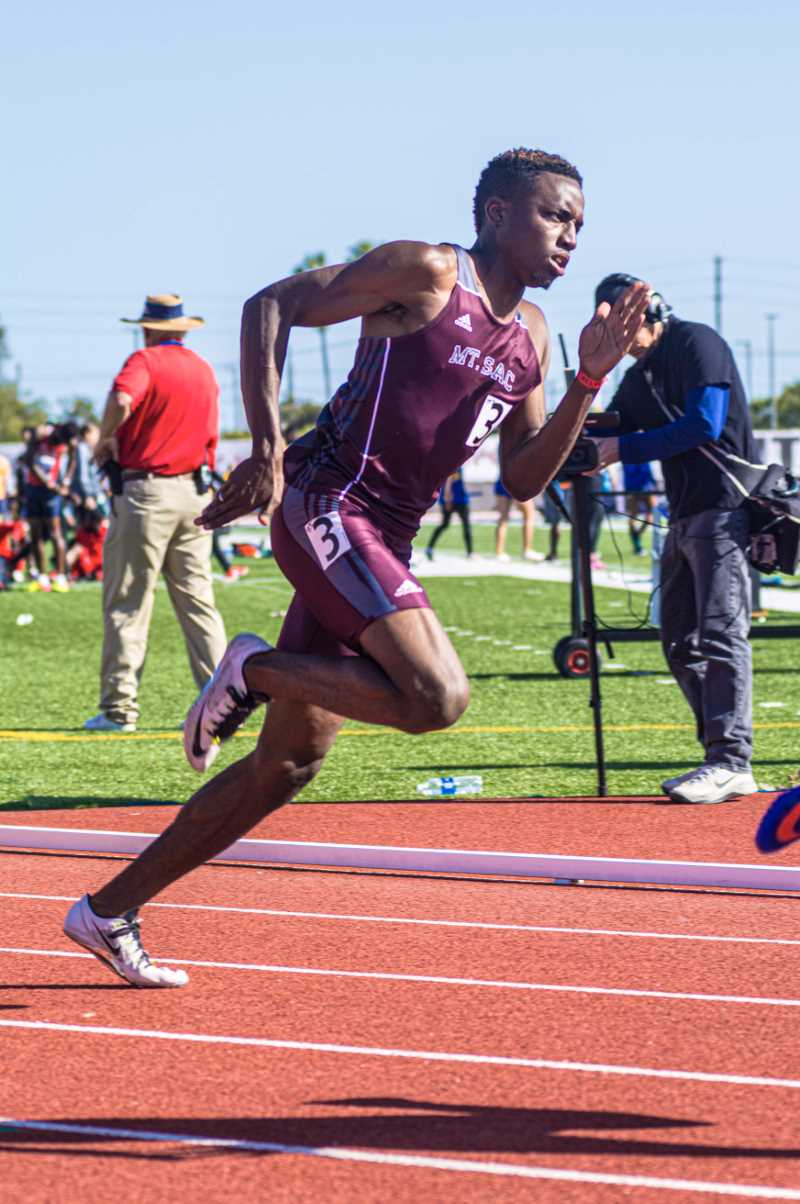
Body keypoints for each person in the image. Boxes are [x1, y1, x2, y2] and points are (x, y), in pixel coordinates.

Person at [64, 148, 649, 985]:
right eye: (556, 217)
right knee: (437, 697)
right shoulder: (428, 273)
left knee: (288, 766)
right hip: (329, 502)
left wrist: (588, 379)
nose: (571, 239)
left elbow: (523, 477)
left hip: (387, 533)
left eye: (580, 226)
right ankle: (256, 668)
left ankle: (108, 910)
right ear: (496, 214)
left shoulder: (537, 337)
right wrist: (266, 450)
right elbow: (273, 306)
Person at [589, 273, 759, 805]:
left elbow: (704, 425)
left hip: (724, 511)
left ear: (649, 310)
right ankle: (718, 753)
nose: (615, 331)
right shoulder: (640, 373)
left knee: (720, 634)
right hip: (683, 517)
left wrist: (621, 449)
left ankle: (731, 760)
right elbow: (609, 423)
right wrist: (555, 429)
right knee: (679, 641)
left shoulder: (695, 341)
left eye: (619, 319)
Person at [83, 294, 227, 734]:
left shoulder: (143, 360)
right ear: (182, 329)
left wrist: (105, 439)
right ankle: (223, 705)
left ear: (147, 327)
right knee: (199, 603)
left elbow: (123, 398)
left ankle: (119, 709)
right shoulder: (202, 368)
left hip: (147, 492)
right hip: (195, 493)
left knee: (128, 602)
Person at [23, 423, 72, 593]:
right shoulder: (40, 437)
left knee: (55, 533)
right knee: (36, 534)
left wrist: (66, 481)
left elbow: (73, 459)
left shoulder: (65, 440)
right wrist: (47, 482)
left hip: (51, 494)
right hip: (33, 490)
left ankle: (60, 577)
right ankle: (42, 578)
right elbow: (29, 461)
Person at [425, 468, 473, 560]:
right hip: (452, 499)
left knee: (462, 525)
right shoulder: (454, 458)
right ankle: (429, 548)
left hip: (460, 498)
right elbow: (449, 478)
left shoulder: (460, 459)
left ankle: (470, 552)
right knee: (446, 524)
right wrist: (447, 497)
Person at [494, 476, 542, 562]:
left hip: (503, 480)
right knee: (529, 515)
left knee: (503, 518)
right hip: (518, 481)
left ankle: (499, 552)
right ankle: (527, 550)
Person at [622, 459, 657, 555]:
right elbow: (646, 472)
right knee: (633, 519)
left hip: (643, 488)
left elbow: (647, 472)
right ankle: (637, 545)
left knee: (650, 518)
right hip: (637, 489)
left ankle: (637, 540)